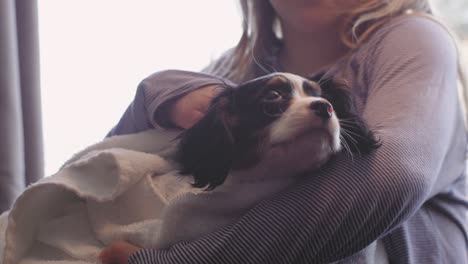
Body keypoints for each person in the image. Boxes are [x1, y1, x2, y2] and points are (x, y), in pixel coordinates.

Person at [100, 0, 468, 263]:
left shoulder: (413, 38)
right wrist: (156, 93)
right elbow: (113, 174)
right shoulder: (232, 70)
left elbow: (389, 178)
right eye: (273, 101)